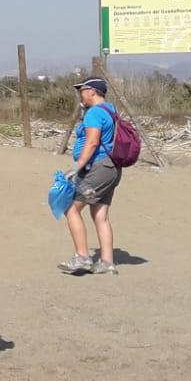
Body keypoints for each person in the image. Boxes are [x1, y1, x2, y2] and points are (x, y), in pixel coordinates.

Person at [58, 77, 122, 275]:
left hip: (97, 167)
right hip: (111, 168)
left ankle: (82, 257)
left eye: (82, 91)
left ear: (91, 91)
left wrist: (77, 166)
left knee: (71, 208)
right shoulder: (110, 109)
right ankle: (106, 262)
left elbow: (92, 142)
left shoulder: (94, 112)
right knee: (100, 215)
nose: (80, 95)